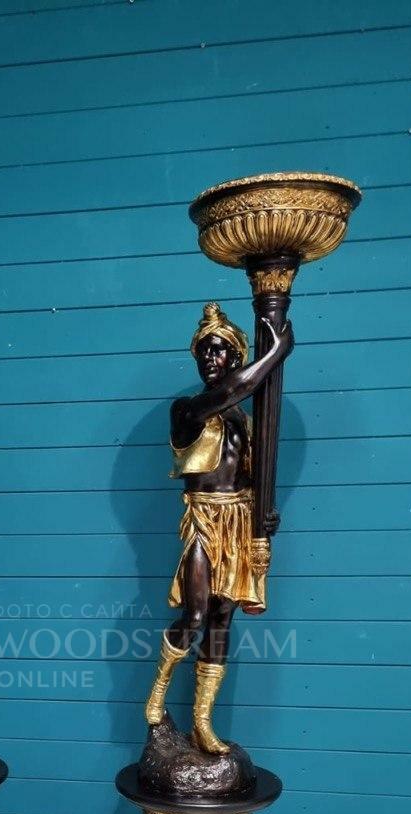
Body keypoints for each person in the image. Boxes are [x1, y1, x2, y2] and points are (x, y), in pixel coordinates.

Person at [144, 302, 293, 753]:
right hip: (203, 520)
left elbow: (251, 476)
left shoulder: (243, 421)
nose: (210, 358)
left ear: (234, 356)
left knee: (222, 617)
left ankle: (202, 721)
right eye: (203, 351)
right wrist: (276, 353)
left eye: (219, 350)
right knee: (195, 614)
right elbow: (240, 387)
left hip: (237, 521)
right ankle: (156, 700)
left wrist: (265, 514)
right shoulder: (187, 410)